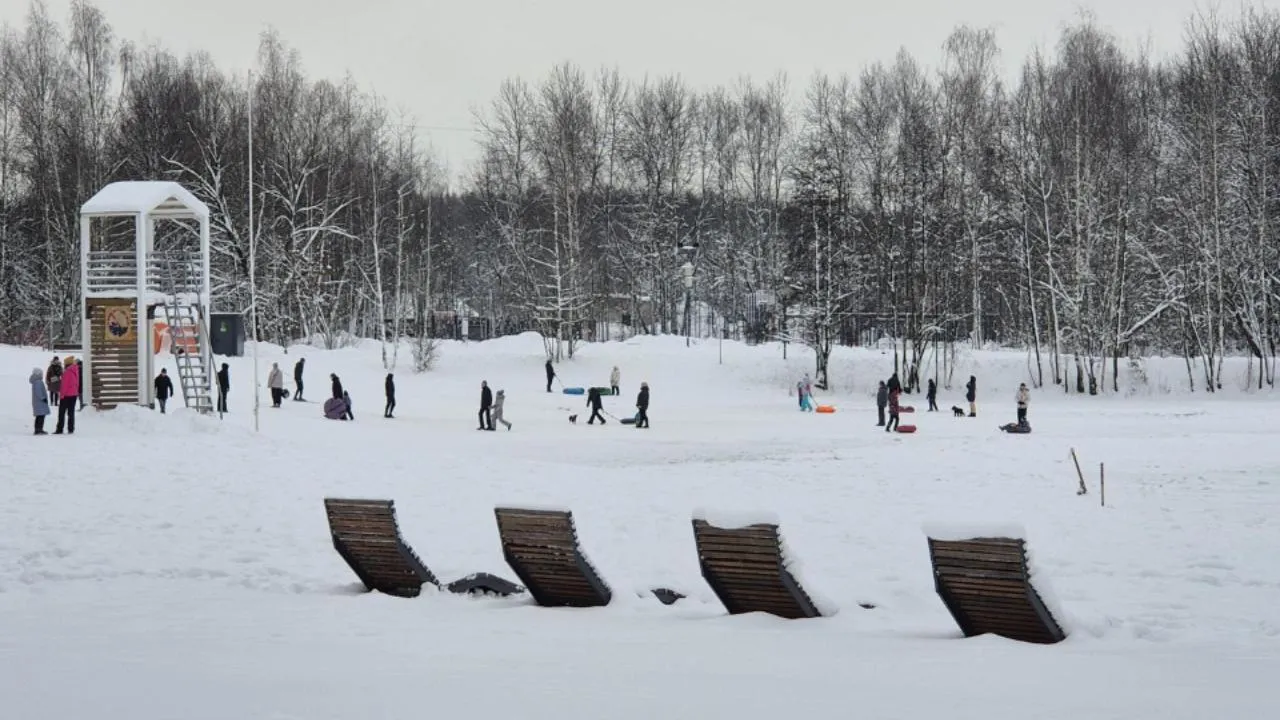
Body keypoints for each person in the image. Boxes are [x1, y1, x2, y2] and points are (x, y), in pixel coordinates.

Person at [55, 356, 80, 434]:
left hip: (66, 395)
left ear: (67, 364)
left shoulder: (67, 372)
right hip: (74, 394)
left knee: (61, 412)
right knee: (71, 413)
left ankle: (60, 429)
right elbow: (77, 383)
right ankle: (71, 428)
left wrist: (61, 395)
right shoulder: (75, 370)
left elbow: (64, 386)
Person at [30, 367, 50, 435]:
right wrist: (43, 398)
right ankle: (39, 429)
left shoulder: (36, 381)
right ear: (38, 374)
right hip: (40, 402)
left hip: (38, 402)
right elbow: (38, 391)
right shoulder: (38, 382)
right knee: (41, 416)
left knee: (39, 416)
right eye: (41, 373)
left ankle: (38, 429)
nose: (42, 375)